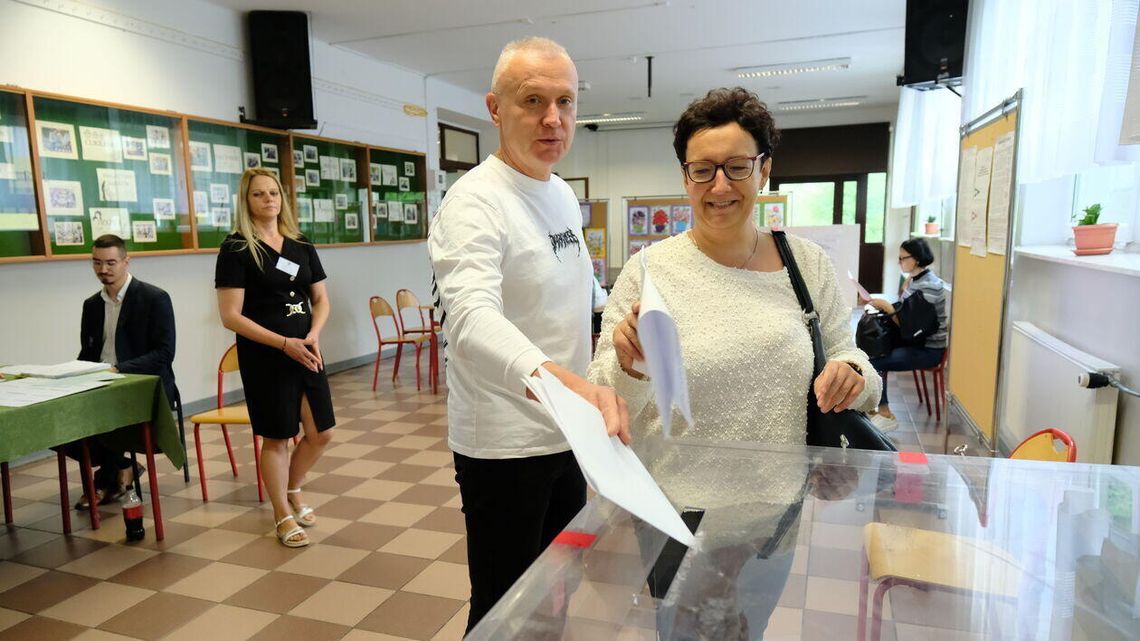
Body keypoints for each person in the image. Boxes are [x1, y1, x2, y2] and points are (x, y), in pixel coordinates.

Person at [587, 86, 882, 638]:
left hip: (776, 510)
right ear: (685, 178)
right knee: (685, 633)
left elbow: (852, 356)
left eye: (737, 167)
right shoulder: (649, 270)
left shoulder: (806, 264)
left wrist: (853, 375)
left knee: (750, 628)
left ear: (764, 170)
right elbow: (603, 394)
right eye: (702, 170)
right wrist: (627, 365)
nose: (719, 186)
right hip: (679, 510)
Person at [427, 36, 629, 633]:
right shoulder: (474, 202)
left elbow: (579, 289)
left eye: (565, 102)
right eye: (533, 100)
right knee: (502, 607)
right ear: (495, 108)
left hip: (567, 430)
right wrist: (564, 384)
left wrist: (621, 319)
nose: (553, 119)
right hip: (504, 444)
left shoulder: (560, 192)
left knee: (555, 589)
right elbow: (471, 319)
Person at [215, 168, 335, 548]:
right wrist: (284, 343)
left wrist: (313, 334)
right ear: (246, 201)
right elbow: (230, 316)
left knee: (321, 432)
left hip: (307, 350)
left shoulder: (301, 244)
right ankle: (282, 513)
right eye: (259, 194)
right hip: (267, 356)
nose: (269, 199)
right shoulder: (236, 249)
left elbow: (321, 300)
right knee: (278, 437)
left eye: (273, 193)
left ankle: (293, 488)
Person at [72, 234, 177, 509]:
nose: (103, 269)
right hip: (103, 380)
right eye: (96, 263)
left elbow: (164, 354)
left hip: (143, 383)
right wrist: (72, 373)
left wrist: (118, 369)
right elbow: (88, 352)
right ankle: (121, 467)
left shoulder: (154, 298)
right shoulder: (92, 305)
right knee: (65, 418)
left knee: (104, 417)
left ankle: (106, 481)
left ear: (126, 261)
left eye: (110, 263)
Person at [866, 237, 948, 430]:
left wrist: (887, 307)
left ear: (916, 259)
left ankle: (885, 413)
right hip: (917, 343)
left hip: (929, 350)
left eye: (903, 258)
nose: (899, 262)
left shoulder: (928, 285)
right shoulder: (917, 280)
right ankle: (873, 408)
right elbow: (907, 312)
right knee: (873, 349)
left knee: (875, 361)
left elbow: (911, 326)